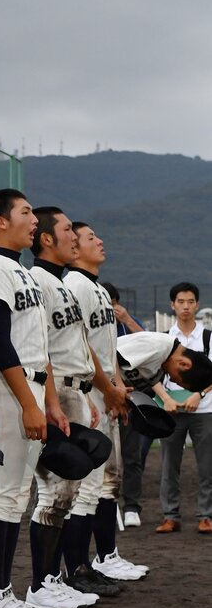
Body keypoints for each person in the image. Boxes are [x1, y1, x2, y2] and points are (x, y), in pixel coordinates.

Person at [0, 189, 65, 608]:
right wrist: (29, 402)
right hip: (9, 385)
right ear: (1, 221)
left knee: (16, 497)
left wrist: (48, 400)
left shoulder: (21, 271)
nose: (34, 221)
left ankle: (3, 593)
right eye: (26, 212)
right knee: (1, 495)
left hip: (30, 384)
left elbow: (39, 342)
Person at [28, 208, 127, 608]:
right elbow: (45, 347)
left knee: (80, 492)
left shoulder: (70, 285)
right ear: (48, 238)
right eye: (71, 231)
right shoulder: (59, 283)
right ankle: (52, 577)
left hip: (81, 389)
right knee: (58, 492)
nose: (81, 238)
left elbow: (86, 345)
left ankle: (75, 569)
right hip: (61, 390)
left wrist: (99, 388)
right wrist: (91, 391)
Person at [63, 225, 143, 585]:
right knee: (86, 485)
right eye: (91, 237)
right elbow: (82, 346)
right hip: (87, 393)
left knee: (109, 481)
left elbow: (107, 348)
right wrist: (109, 388)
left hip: (107, 391)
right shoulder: (76, 286)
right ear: (74, 248)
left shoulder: (96, 288)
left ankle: (105, 556)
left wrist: (120, 386)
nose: (100, 241)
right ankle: (77, 567)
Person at [147, 284, 212, 534]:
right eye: (181, 301)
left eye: (190, 301)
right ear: (172, 305)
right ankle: (170, 515)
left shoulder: (208, 337)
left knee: (206, 466)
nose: (185, 306)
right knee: (168, 465)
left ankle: (206, 515)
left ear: (197, 305)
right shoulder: (164, 338)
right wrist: (166, 399)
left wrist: (199, 394)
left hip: (204, 409)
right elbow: (151, 372)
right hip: (171, 409)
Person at [100, 281, 150, 529]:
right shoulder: (93, 327)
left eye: (112, 305)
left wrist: (127, 319)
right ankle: (106, 503)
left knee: (132, 454)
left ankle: (132, 506)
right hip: (99, 396)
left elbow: (150, 345)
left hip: (130, 397)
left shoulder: (128, 325)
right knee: (103, 453)